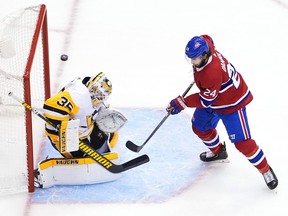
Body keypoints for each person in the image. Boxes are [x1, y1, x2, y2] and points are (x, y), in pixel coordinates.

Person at [166, 35, 278, 190]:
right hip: (213, 96)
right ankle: (218, 152)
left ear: (205, 55)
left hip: (232, 102)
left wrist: (182, 102)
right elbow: (208, 37)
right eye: (190, 58)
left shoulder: (211, 74)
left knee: (243, 144)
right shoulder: (206, 44)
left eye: (195, 59)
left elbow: (205, 101)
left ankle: (265, 169)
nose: (192, 63)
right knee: (199, 127)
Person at [34, 72, 126, 188]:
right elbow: (50, 106)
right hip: (64, 137)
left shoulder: (94, 98)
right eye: (98, 93)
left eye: (102, 95)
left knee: (106, 139)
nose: (99, 97)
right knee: (83, 158)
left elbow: (95, 110)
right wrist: (64, 126)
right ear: (92, 87)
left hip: (84, 130)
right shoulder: (78, 95)